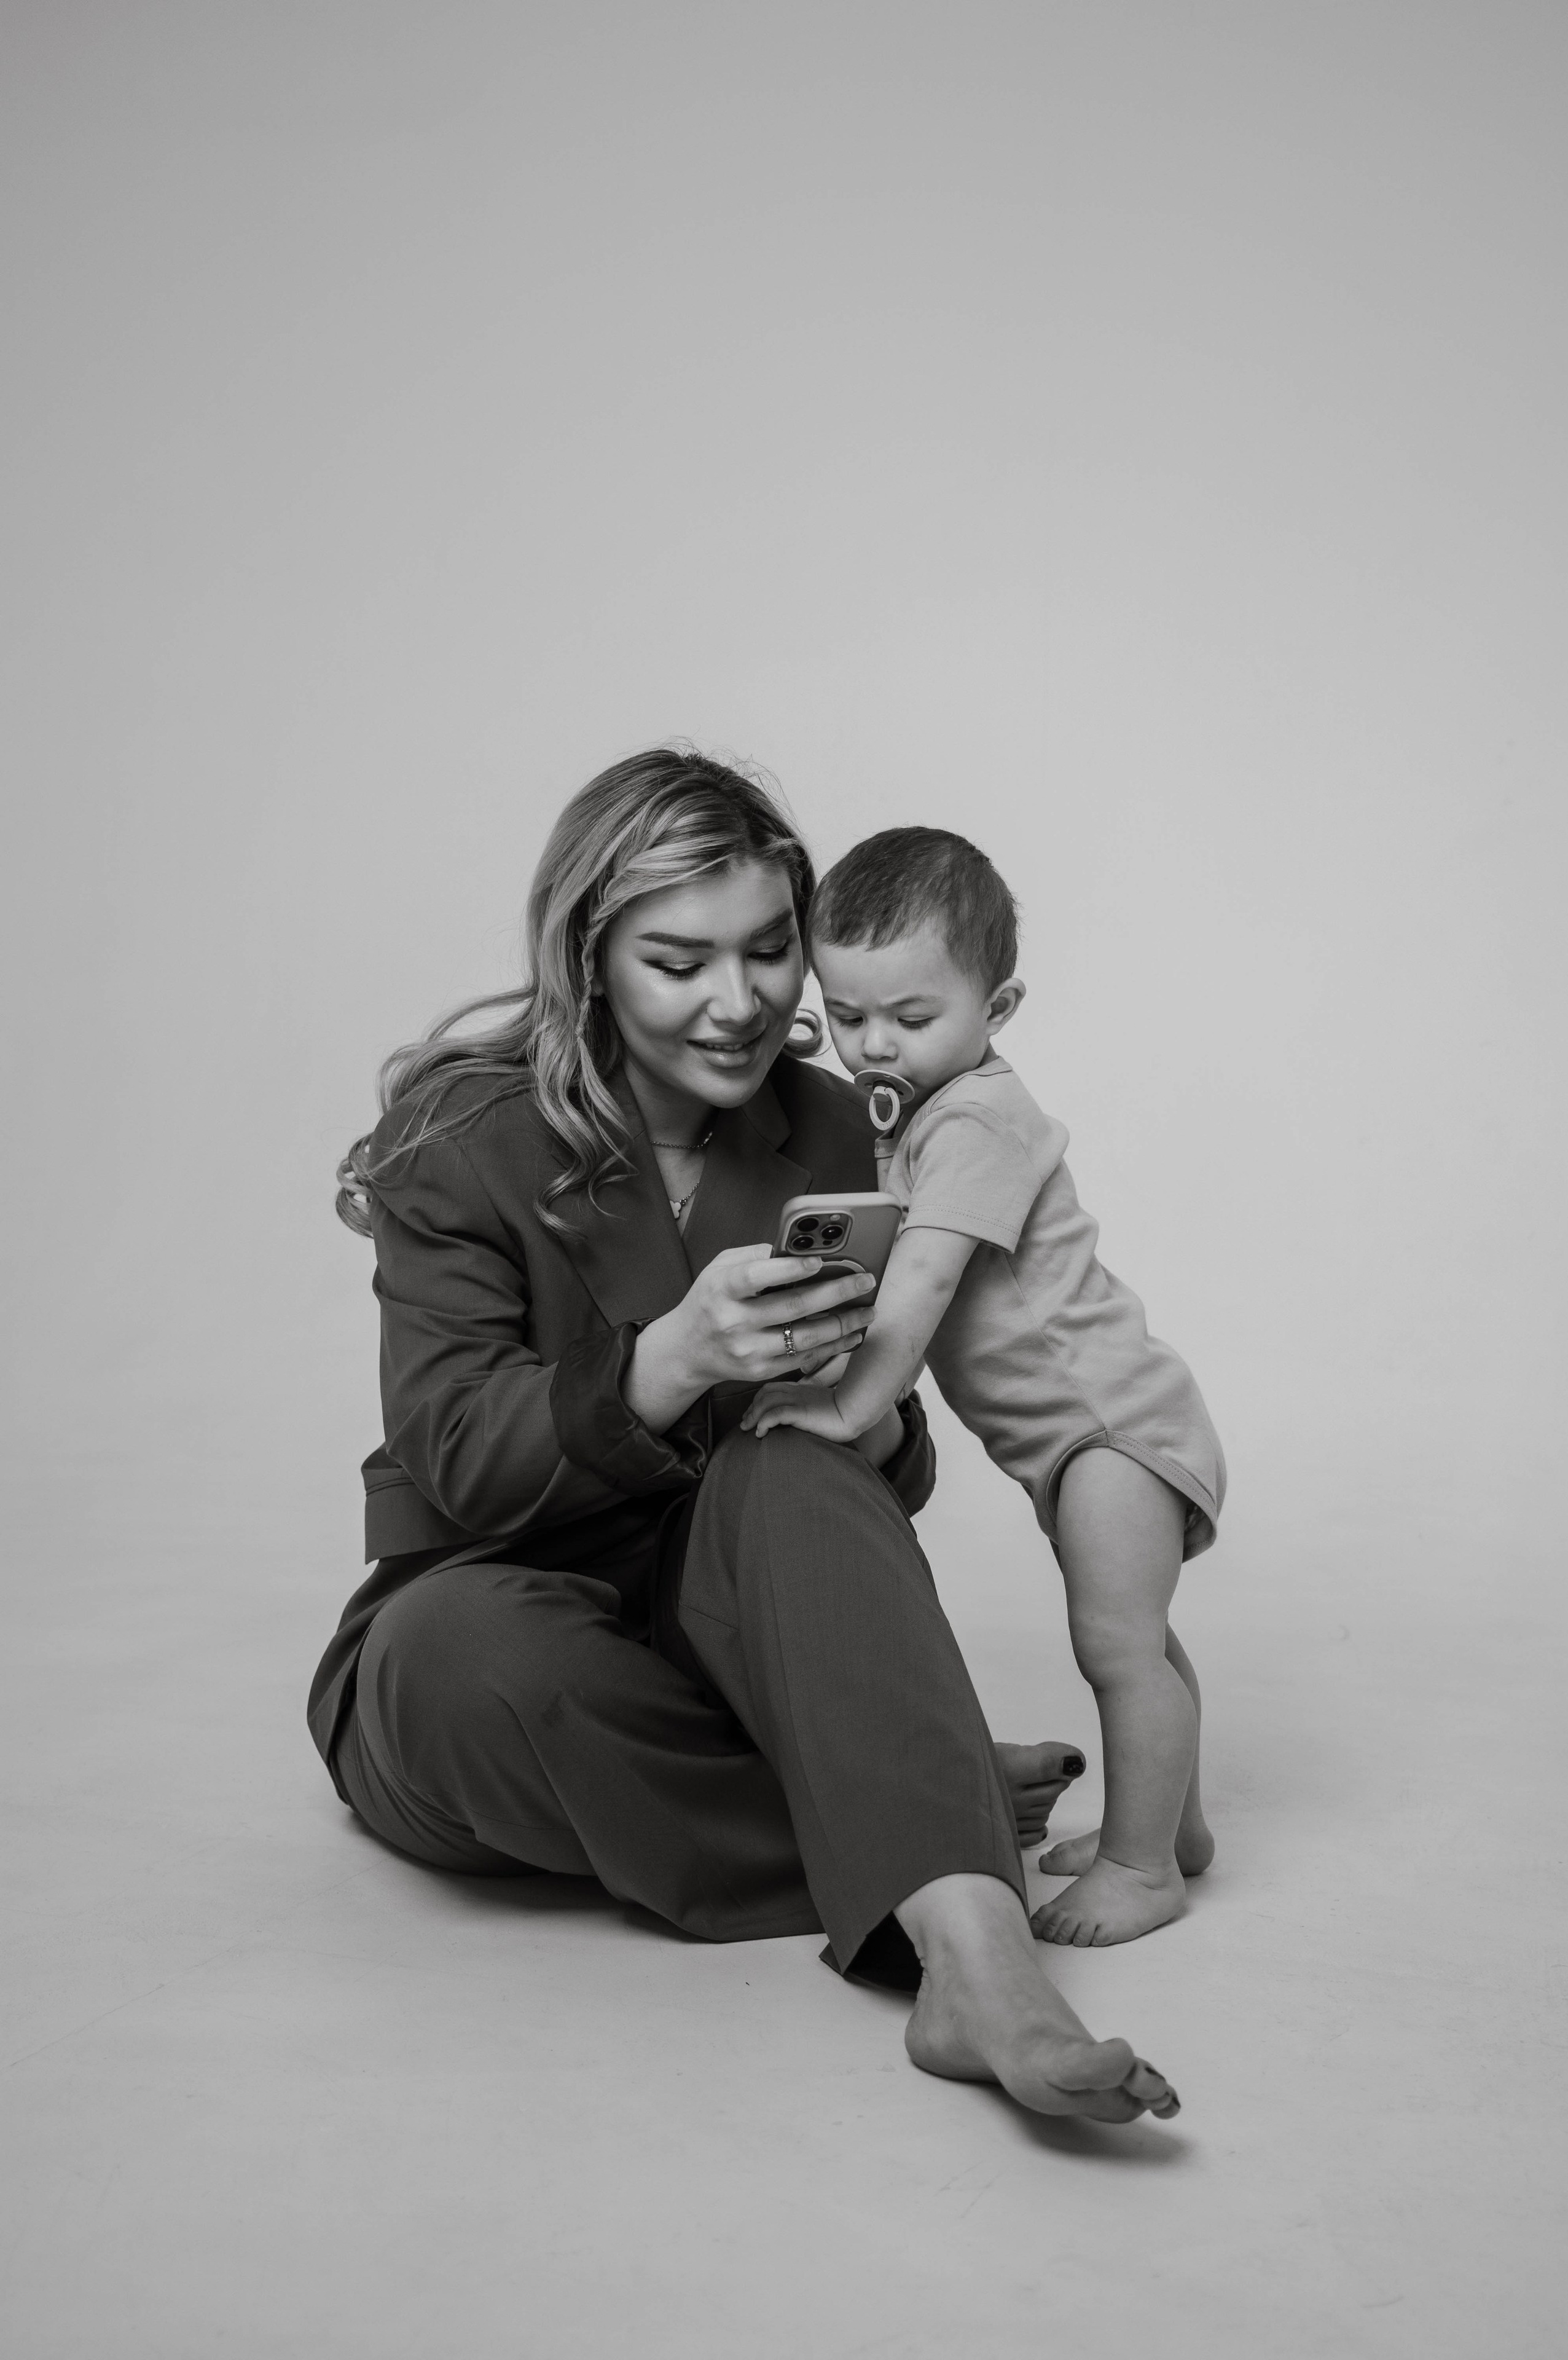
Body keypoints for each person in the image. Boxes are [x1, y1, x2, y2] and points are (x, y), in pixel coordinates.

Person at [308, 750, 1178, 2123]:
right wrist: (670, 1360)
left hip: (742, 1612)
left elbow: (880, 1487)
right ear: (587, 957)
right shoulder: (459, 1134)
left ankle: (974, 1967)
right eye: (679, 960)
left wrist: (878, 1414)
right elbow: (455, 1453)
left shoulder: (848, 1122)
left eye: (771, 950)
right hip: (498, 1595)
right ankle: (906, 1789)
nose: (741, 1002)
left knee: (793, 1462)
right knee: (465, 1661)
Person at [745, 827, 1226, 1945]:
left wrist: (848, 1406)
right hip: (1083, 1437)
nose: (876, 1047)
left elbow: (919, 1284)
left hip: (1111, 1429)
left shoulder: (973, 1121)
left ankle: (1144, 1867)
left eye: (914, 1021)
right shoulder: (916, 1110)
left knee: (1117, 1648)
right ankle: (1181, 1829)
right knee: (1142, 1638)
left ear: (997, 1006)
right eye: (850, 1016)